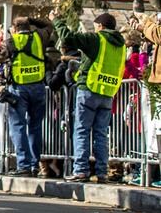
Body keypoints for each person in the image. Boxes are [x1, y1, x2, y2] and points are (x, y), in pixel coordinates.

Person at [54, 11, 126, 183]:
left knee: (82, 130)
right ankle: (102, 173)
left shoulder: (96, 38)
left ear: (100, 26)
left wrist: (56, 20)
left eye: (95, 27)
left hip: (89, 89)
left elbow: (68, 38)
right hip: (107, 93)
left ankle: (81, 170)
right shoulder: (121, 45)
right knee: (101, 134)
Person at [0, 17, 47, 176]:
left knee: (18, 126)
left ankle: (23, 165)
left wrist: (10, 37)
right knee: (35, 127)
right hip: (38, 86)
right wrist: (32, 20)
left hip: (19, 88)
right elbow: (49, 25)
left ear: (15, 28)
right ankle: (34, 165)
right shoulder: (39, 36)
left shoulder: (11, 41)